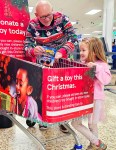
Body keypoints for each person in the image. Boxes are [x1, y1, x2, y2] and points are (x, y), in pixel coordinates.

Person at [24, 0, 78, 132]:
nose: (47, 19)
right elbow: (27, 46)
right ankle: (42, 119)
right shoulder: (32, 25)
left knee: (61, 92)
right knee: (42, 92)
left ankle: (62, 120)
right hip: (43, 63)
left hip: (61, 61)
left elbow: (73, 39)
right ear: (36, 15)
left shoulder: (62, 18)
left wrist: (62, 51)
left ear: (53, 11)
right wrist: (33, 50)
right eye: (42, 16)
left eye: (49, 14)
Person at [71, 37, 111, 150]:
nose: (81, 53)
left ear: (93, 51)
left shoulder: (101, 64)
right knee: (75, 123)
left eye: (84, 50)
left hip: (95, 99)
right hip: (82, 99)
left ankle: (94, 144)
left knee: (92, 124)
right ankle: (97, 142)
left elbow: (106, 80)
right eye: (80, 50)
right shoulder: (82, 63)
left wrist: (95, 67)